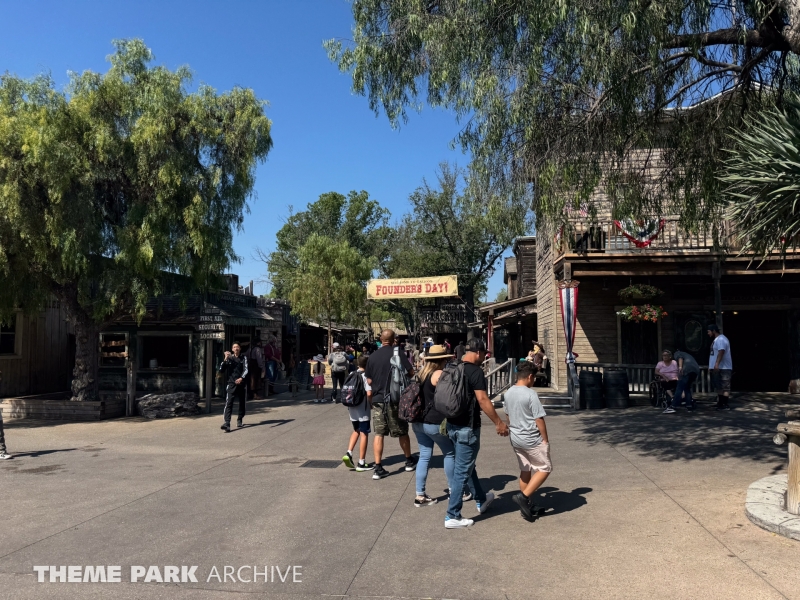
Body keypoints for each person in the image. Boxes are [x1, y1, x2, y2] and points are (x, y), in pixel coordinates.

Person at [445, 338, 510, 529]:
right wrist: (498, 423)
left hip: (452, 425)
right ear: (478, 352)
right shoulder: (475, 371)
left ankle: (481, 499)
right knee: (461, 472)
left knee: (467, 466)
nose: (485, 358)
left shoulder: (452, 367)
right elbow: (482, 400)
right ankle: (452, 515)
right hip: (468, 428)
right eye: (485, 354)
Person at [364, 329, 418, 480]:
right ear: (394, 339)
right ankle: (408, 460)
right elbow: (411, 372)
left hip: (378, 400)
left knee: (379, 433)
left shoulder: (372, 356)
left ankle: (378, 467)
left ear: (381, 339)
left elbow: (368, 380)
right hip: (395, 399)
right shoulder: (398, 353)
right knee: (402, 431)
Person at [410, 344, 457, 507]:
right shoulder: (439, 374)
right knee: (450, 453)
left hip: (417, 420)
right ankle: (454, 491)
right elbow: (449, 397)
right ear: (443, 359)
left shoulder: (421, 373)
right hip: (434, 421)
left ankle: (420, 494)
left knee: (424, 456)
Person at [504, 362, 551, 521]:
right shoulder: (530, 394)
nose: (534, 381)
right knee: (545, 468)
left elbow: (508, 416)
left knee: (526, 469)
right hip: (531, 437)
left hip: (516, 438)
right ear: (530, 376)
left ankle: (527, 505)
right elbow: (539, 418)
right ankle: (523, 497)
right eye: (534, 378)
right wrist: (545, 439)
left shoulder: (508, 392)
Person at [342, 355, 375, 472]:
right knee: (364, 433)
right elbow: (369, 393)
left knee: (356, 430)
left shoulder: (352, 374)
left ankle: (349, 453)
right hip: (363, 408)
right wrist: (371, 403)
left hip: (352, 407)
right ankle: (361, 462)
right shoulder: (365, 376)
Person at [219, 343, 248, 432]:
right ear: (232, 349)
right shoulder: (230, 358)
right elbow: (221, 370)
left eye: (237, 347)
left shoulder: (244, 358)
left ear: (240, 348)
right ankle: (227, 423)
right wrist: (225, 359)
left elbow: (246, 369)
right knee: (229, 403)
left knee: (242, 402)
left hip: (241, 383)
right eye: (234, 347)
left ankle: (240, 418)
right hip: (231, 383)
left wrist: (241, 378)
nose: (236, 349)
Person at [665, 349, 701, 413]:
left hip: (687, 370)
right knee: (687, 387)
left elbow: (680, 358)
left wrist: (680, 367)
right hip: (695, 370)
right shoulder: (687, 355)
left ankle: (673, 406)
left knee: (679, 387)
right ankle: (689, 405)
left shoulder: (678, 353)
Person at [708, 324, 733, 410]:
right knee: (719, 386)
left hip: (724, 367)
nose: (708, 333)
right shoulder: (716, 340)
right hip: (717, 367)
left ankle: (725, 404)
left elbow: (721, 351)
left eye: (709, 331)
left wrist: (717, 363)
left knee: (725, 386)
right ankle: (720, 403)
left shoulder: (721, 339)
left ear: (714, 330)